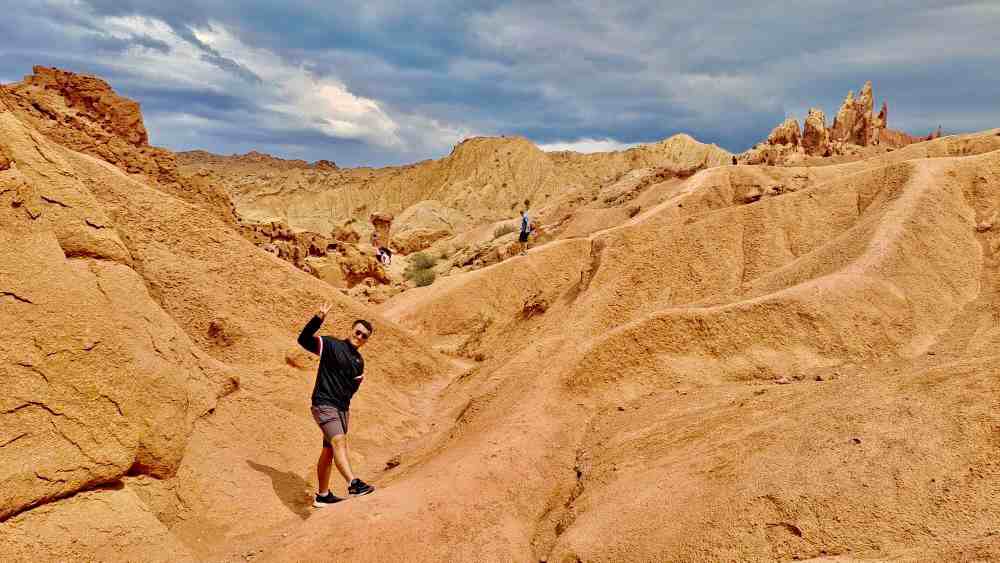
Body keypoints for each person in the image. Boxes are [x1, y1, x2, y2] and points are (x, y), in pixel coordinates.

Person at [297, 302, 376, 507]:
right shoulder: (331, 345)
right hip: (324, 404)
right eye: (358, 332)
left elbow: (352, 389)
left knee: (330, 449)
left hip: (342, 410)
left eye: (364, 336)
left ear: (366, 340)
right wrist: (318, 318)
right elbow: (303, 340)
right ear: (351, 330)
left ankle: (323, 495)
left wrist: (357, 382)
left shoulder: (359, 361)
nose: (359, 337)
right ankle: (353, 484)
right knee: (338, 441)